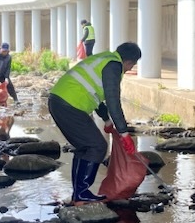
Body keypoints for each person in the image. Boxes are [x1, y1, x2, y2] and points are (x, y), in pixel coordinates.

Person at [48, 42, 142, 203]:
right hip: (69, 104)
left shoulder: (104, 59)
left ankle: (78, 195)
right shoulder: (114, 66)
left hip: (60, 101)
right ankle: (82, 193)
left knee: (85, 147)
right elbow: (114, 102)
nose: (129, 69)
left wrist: (107, 121)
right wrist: (124, 133)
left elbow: (97, 97)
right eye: (132, 65)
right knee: (97, 146)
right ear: (129, 62)